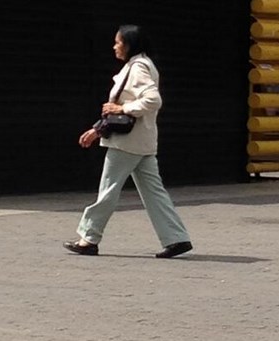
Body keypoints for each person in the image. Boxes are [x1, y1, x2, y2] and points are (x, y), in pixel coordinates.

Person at [63, 25, 192, 258]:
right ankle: (177, 238)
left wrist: (123, 107)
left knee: (108, 190)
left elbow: (153, 100)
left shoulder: (138, 67)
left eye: (118, 42)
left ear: (130, 44)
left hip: (126, 144)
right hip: (142, 143)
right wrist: (97, 129)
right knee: (155, 193)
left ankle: (89, 238)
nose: (114, 46)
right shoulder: (143, 65)